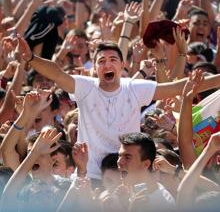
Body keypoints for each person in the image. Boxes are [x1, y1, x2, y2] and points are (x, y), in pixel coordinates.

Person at [17, 32, 220, 180]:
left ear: (122, 66)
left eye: (113, 59)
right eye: (101, 61)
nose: (107, 65)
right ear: (95, 68)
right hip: (91, 176)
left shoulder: (133, 88)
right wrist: (31, 58)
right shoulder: (85, 87)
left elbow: (179, 87)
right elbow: (57, 73)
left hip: (129, 177)